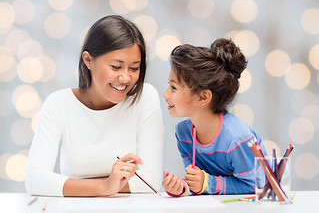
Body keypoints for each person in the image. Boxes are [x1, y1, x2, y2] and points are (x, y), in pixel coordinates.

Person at [25, 15, 164, 197]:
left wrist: (73, 185)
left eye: (134, 68)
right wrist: (106, 186)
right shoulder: (58, 104)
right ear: (88, 60)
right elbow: (35, 180)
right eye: (115, 67)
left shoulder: (145, 98)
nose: (125, 78)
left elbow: (151, 182)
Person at [162, 38, 267, 196]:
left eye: (174, 87)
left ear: (203, 97)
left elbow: (256, 186)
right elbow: (199, 183)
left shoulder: (237, 138)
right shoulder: (183, 133)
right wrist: (182, 187)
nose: (165, 94)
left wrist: (207, 183)